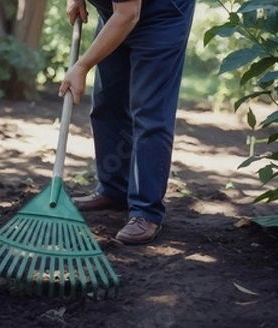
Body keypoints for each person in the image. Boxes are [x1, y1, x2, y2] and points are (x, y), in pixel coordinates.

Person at [59, 0, 196, 245]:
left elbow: (128, 14)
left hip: (161, 15)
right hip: (117, 12)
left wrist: (82, 66)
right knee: (107, 103)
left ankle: (146, 212)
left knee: (149, 113)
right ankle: (113, 189)